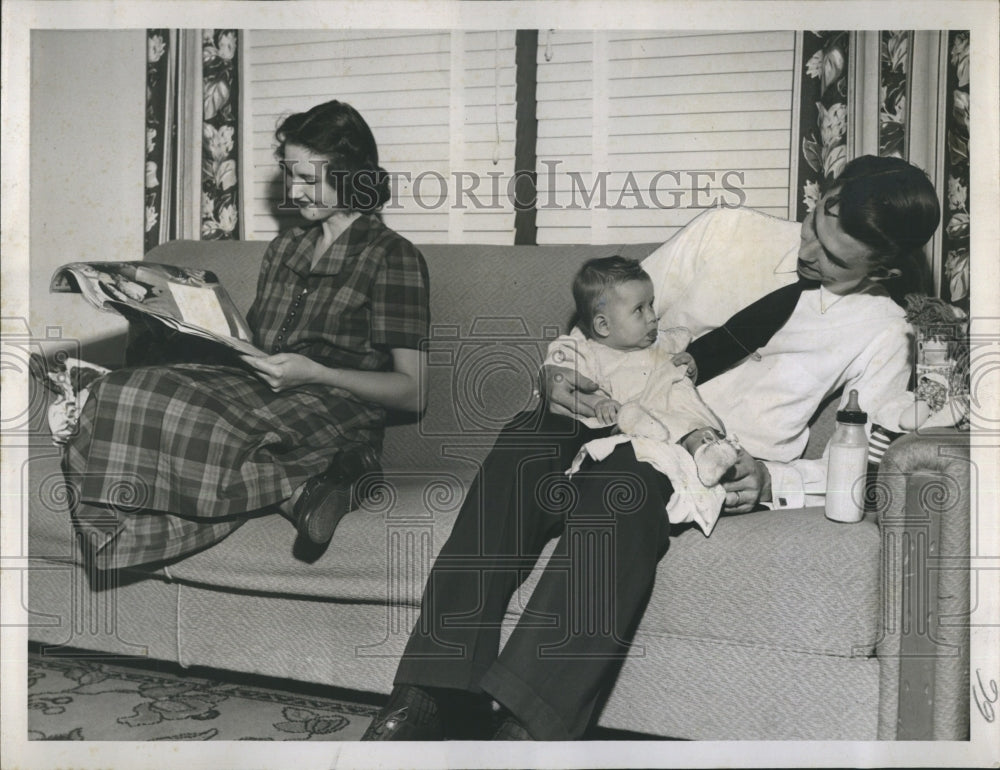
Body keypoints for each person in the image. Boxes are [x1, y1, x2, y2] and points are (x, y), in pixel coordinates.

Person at [361, 154, 940, 741]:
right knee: (529, 437)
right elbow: (603, 310)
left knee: (626, 483)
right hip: (609, 403)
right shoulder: (725, 233)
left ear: (886, 267)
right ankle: (432, 689)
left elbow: (870, 460)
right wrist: (557, 375)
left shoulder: (882, 331)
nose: (810, 253)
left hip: (689, 457)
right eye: (815, 222)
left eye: (837, 260)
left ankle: (524, 729)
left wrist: (772, 479)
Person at [60, 99, 429, 570]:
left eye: (309, 180)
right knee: (118, 391)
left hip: (336, 407)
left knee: (175, 411)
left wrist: (317, 372)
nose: (294, 192)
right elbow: (253, 343)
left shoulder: (392, 257)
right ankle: (302, 489)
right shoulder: (286, 248)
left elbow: (414, 392)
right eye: (289, 174)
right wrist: (168, 318)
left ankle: (344, 464)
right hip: (264, 392)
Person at [545, 255, 741, 535]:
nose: (652, 316)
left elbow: (686, 350)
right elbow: (570, 378)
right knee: (628, 419)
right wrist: (599, 403)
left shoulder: (662, 341)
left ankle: (706, 453)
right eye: (639, 310)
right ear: (603, 326)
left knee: (689, 413)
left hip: (670, 407)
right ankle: (656, 434)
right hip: (634, 417)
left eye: (651, 305)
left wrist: (689, 362)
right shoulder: (592, 353)